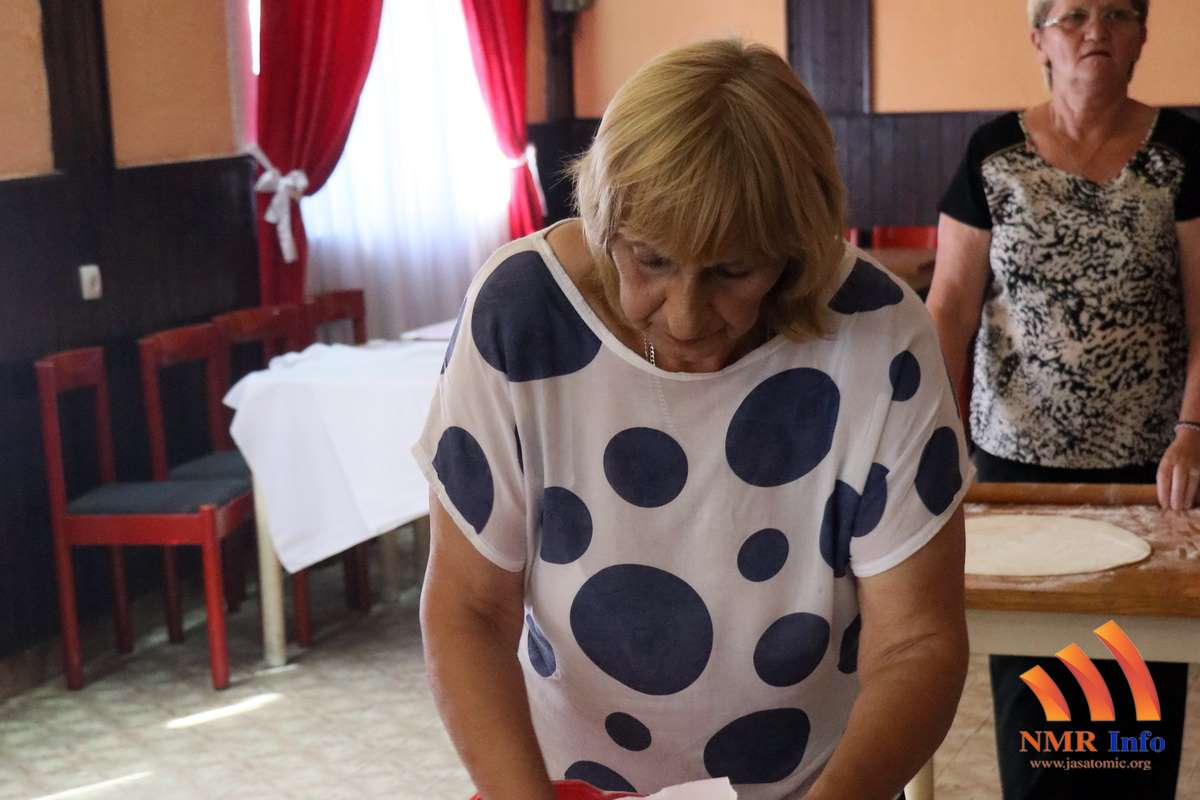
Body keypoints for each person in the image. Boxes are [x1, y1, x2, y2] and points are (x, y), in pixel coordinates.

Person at [416, 39, 972, 800]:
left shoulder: (880, 338)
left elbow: (917, 642)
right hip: (567, 784)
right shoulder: (519, 316)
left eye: (733, 271)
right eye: (650, 260)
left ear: (797, 251)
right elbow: (469, 609)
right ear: (604, 220)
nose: (683, 315)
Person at [927, 1, 1200, 797]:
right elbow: (949, 308)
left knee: (1132, 713)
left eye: (1118, 13)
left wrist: (1193, 428)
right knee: (1041, 712)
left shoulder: (1183, 153)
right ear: (1038, 38)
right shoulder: (993, 154)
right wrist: (935, 436)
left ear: (1143, 35)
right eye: (1073, 14)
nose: (1096, 30)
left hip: (1151, 475)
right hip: (1019, 474)